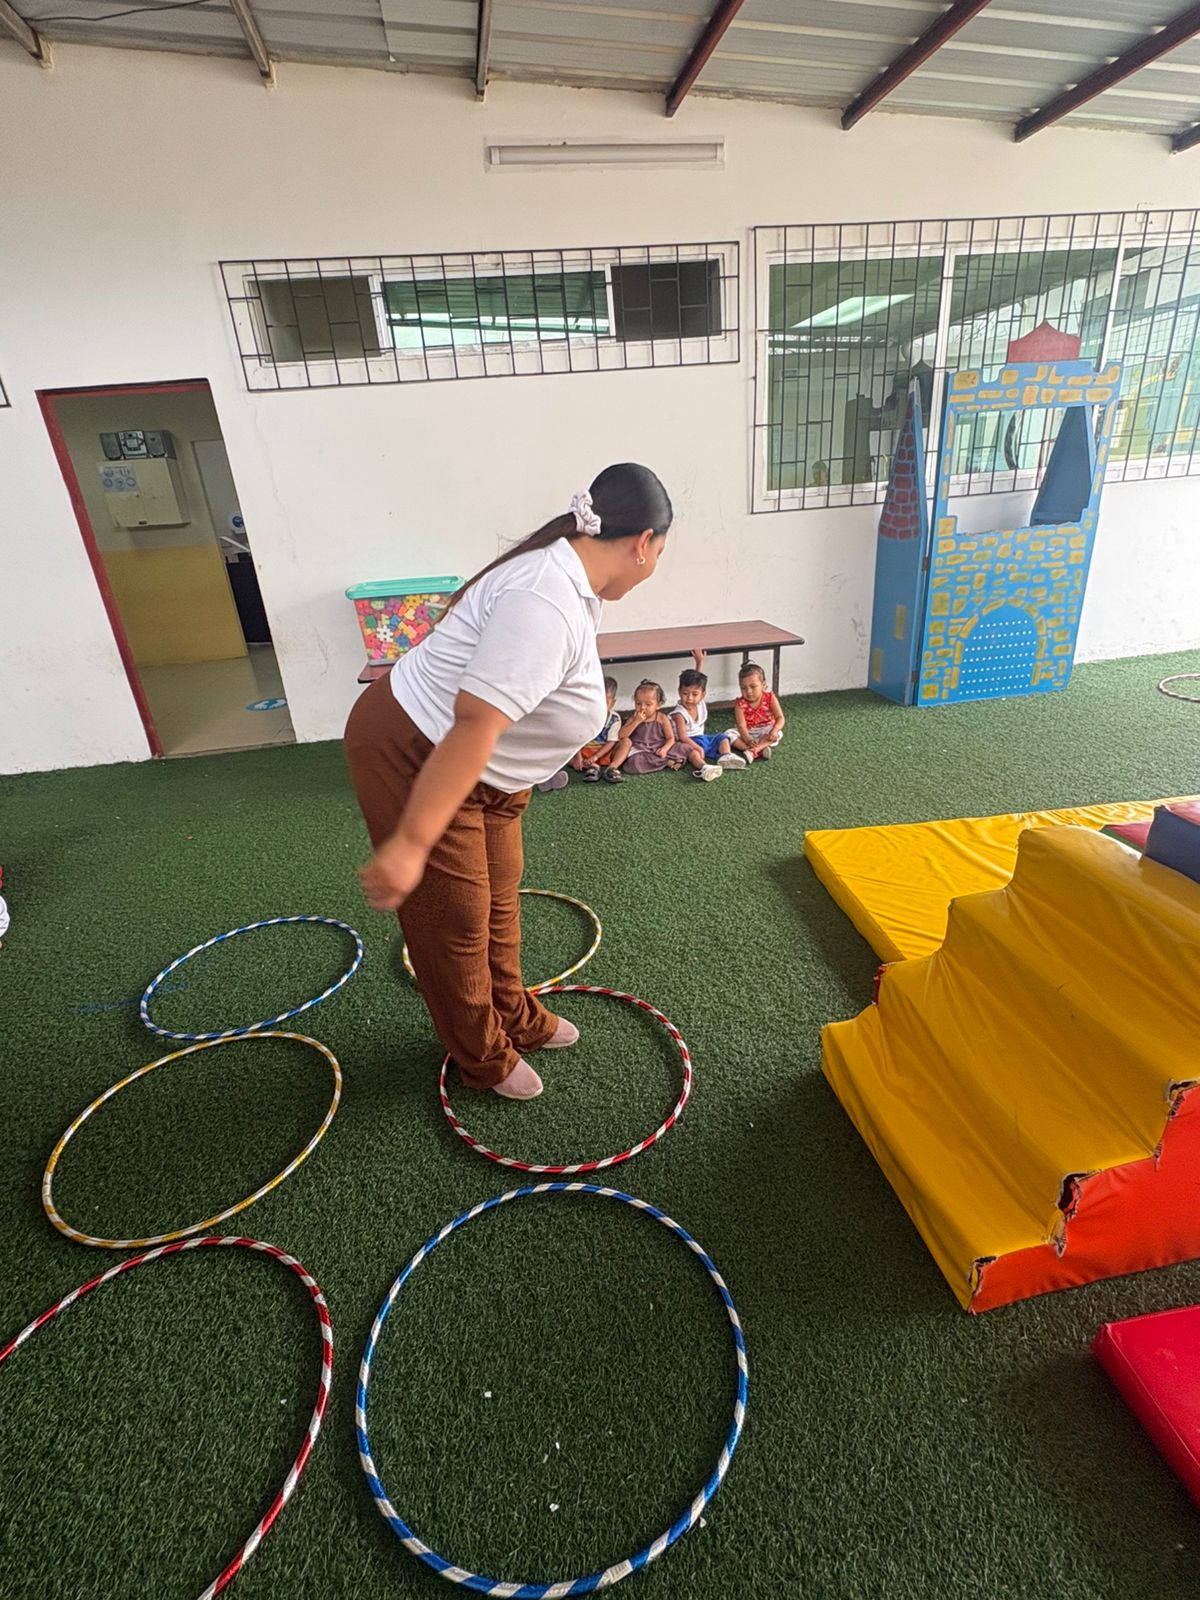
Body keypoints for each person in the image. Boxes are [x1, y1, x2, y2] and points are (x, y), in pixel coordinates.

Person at [344, 463, 672, 1101]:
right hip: (420, 752)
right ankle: (482, 1056)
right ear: (642, 543)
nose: (656, 563)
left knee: (499, 899)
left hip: (488, 777)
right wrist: (411, 843)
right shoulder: (545, 598)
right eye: (661, 552)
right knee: (455, 921)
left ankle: (513, 1015)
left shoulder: (573, 580)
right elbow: (472, 725)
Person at [605, 680, 722, 783]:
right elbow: (621, 736)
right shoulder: (633, 718)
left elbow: (670, 738)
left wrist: (665, 748)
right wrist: (636, 722)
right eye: (638, 703)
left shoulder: (662, 718)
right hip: (641, 750)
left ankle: (704, 767)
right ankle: (667, 762)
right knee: (634, 763)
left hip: (659, 747)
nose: (642, 708)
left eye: (648, 704)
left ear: (658, 705)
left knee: (687, 749)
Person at [671, 651, 746, 771]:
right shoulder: (679, 714)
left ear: (702, 695)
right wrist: (698, 748)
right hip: (688, 742)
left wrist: (700, 662)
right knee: (693, 753)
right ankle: (704, 767)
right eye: (685, 693)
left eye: (694, 694)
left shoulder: (699, 702)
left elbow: (699, 682)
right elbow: (683, 737)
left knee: (722, 737)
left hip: (703, 738)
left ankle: (726, 756)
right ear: (679, 692)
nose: (689, 698)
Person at [732, 660, 786, 762]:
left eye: (753, 687)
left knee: (779, 733)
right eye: (743, 688)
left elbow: (780, 718)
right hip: (747, 732)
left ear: (763, 684)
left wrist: (774, 730)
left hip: (765, 730)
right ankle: (755, 749)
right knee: (729, 735)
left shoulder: (770, 698)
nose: (748, 691)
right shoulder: (740, 704)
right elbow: (741, 725)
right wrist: (748, 739)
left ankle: (753, 751)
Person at [573, 676, 621, 782]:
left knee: (626, 743)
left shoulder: (614, 719)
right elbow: (576, 737)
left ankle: (611, 768)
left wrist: (596, 756)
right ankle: (592, 767)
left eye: (606, 703)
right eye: (598, 702)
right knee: (565, 753)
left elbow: (611, 742)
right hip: (584, 752)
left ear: (613, 703)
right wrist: (578, 756)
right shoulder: (583, 716)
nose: (601, 707)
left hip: (604, 753)